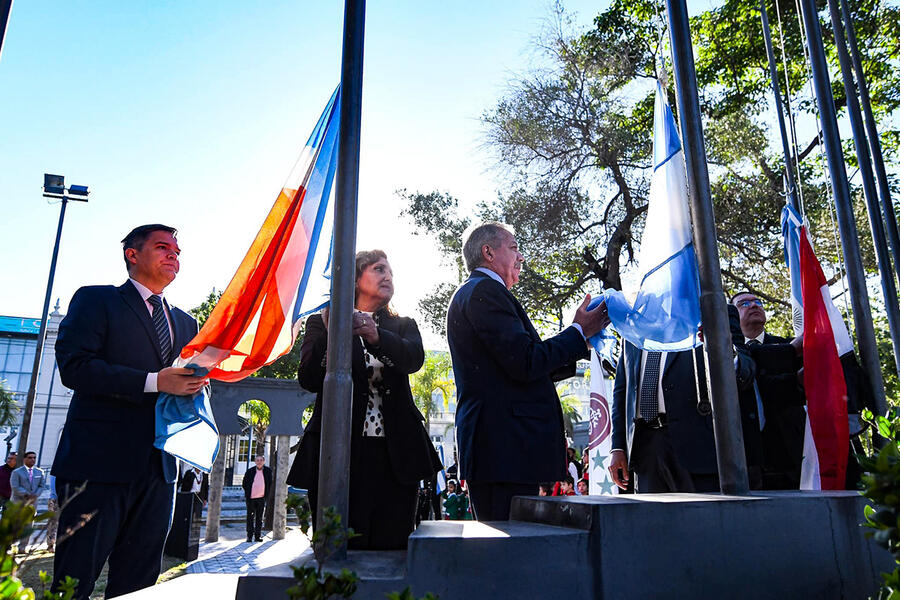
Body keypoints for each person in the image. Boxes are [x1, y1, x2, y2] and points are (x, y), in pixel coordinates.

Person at [52, 224, 204, 599]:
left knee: (137, 585)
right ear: (132, 255)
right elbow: (75, 368)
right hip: (97, 466)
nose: (174, 255)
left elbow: (181, 385)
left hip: (160, 469)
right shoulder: (95, 300)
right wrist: (154, 381)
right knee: (74, 581)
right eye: (163, 247)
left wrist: (197, 385)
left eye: (177, 251)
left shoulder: (188, 323)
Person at [447, 222, 610, 521]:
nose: (521, 257)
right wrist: (576, 332)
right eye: (513, 247)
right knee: (509, 555)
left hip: (505, 453)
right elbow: (525, 361)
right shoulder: (484, 291)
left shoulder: (483, 292)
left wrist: (579, 340)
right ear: (488, 252)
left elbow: (519, 366)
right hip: (502, 451)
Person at [287, 250, 442, 550]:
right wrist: (333, 333)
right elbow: (307, 378)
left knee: (393, 547)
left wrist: (376, 337)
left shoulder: (403, 325)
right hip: (339, 452)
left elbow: (413, 359)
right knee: (338, 546)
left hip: (396, 453)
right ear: (355, 279)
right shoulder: (321, 322)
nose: (388, 276)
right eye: (379, 269)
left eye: (391, 272)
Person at [608, 305, 760, 493]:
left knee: (700, 520)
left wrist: (721, 346)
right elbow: (622, 391)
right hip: (645, 450)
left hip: (698, 448)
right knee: (651, 521)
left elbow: (745, 372)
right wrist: (617, 447)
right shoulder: (633, 325)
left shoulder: (711, 312)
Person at [732, 291, 871, 489]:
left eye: (758, 301)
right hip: (757, 464)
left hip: (803, 455)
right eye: (744, 303)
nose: (754, 305)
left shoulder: (801, 348)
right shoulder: (733, 355)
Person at [242, 455, 271, 542]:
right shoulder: (250, 471)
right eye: (257, 460)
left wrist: (266, 494)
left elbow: (270, 483)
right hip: (251, 498)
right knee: (250, 517)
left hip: (261, 498)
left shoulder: (268, 471)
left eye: (261, 460)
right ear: (255, 462)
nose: (259, 462)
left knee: (259, 518)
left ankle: (258, 536)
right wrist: (248, 492)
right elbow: (244, 483)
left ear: (264, 461)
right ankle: (249, 536)